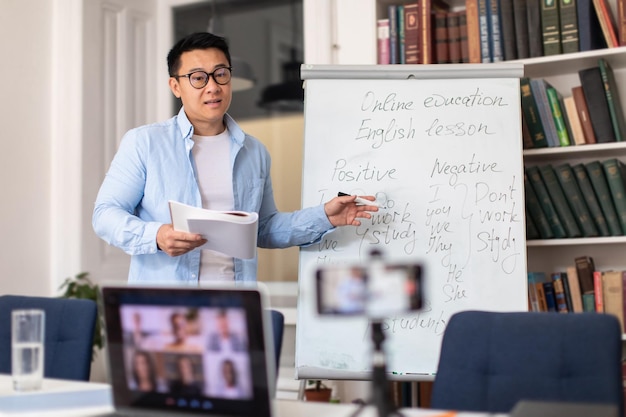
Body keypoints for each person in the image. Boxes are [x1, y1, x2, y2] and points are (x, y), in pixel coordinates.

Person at [92, 31, 378, 283]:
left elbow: (263, 229)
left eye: (221, 74)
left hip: (233, 307)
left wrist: (324, 216)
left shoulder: (254, 151)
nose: (213, 86)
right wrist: (156, 236)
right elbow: (105, 215)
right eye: (198, 78)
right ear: (176, 86)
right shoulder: (145, 143)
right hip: (167, 311)